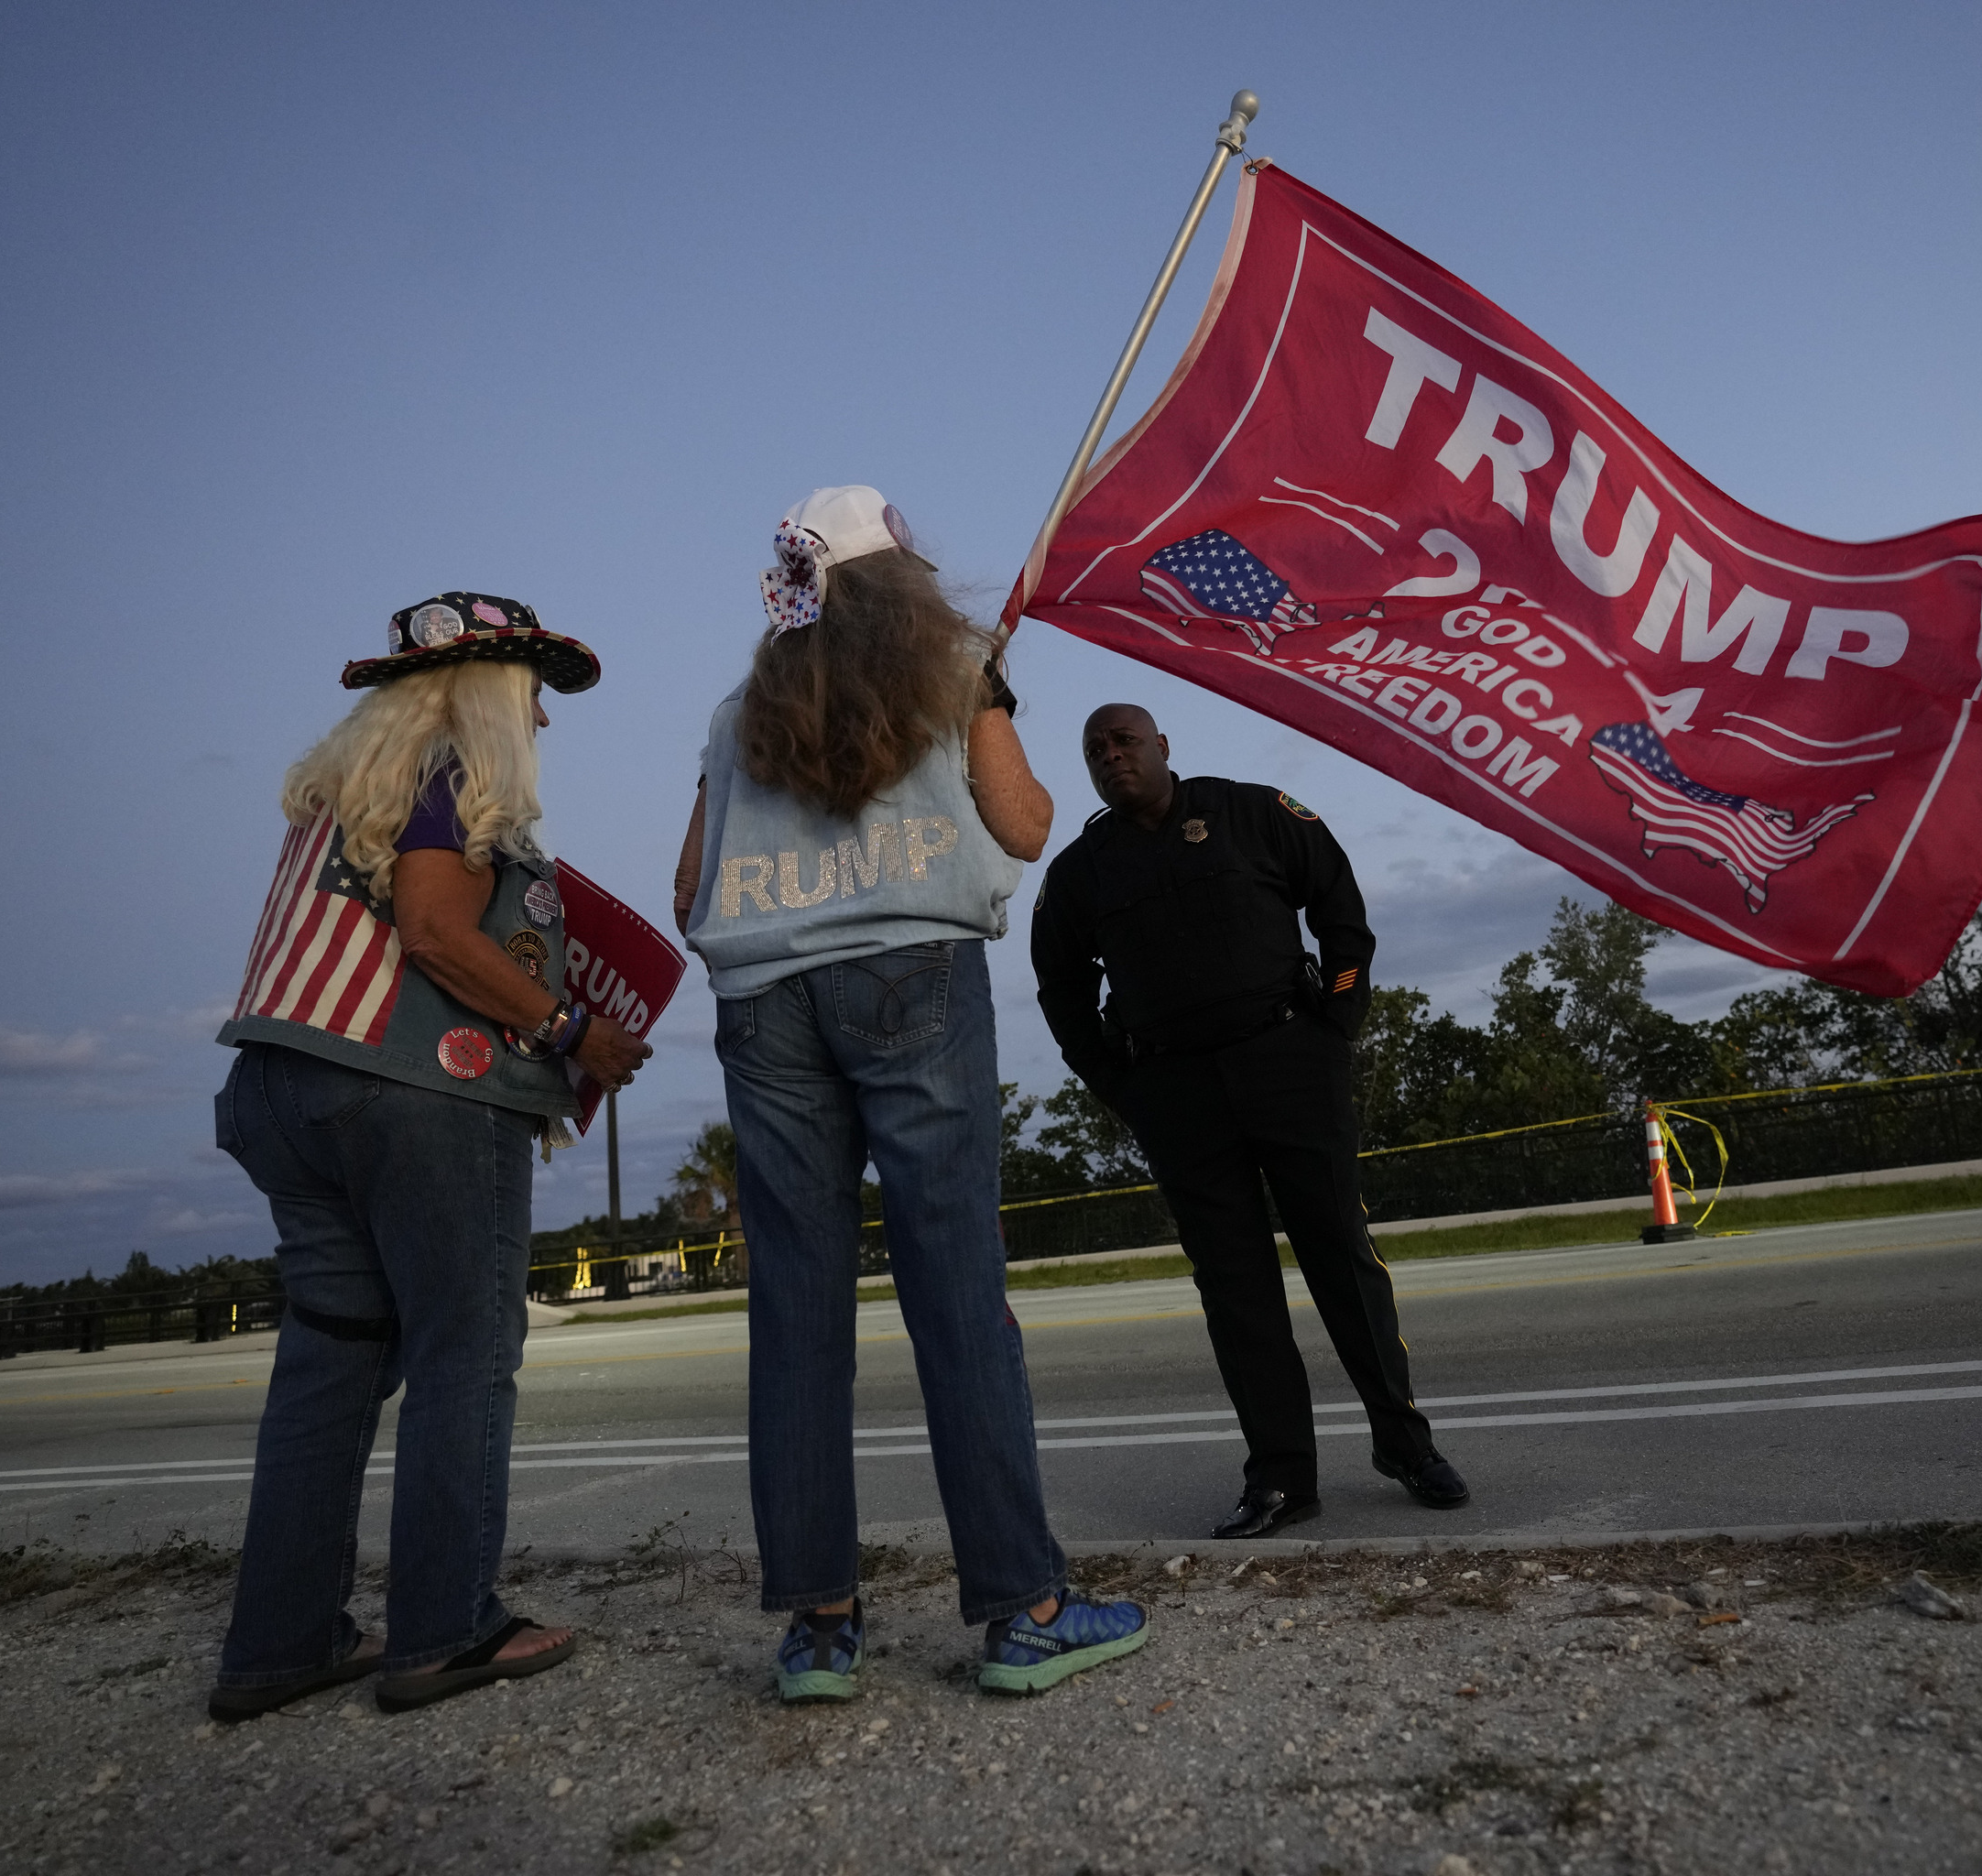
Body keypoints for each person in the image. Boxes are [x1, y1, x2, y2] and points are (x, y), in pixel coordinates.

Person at [674, 485, 1148, 1699]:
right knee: (956, 1295)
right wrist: (986, 702)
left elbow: (690, 894)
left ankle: (822, 1628)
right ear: (903, 577)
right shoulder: (957, 672)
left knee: (794, 1313)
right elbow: (1029, 824)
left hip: (762, 1004)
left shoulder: (739, 713)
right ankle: (1025, 1609)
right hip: (913, 980)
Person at [208, 593, 653, 1721]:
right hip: (415, 1096)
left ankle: (282, 1639)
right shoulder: (458, 770)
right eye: (532, 694)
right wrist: (569, 1031)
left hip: (280, 1082)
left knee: (331, 1362)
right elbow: (438, 931)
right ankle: (445, 1627)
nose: (542, 720)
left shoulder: (336, 794)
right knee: (465, 1352)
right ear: (485, 695)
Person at [1030, 704, 1471, 1539]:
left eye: (1125, 741)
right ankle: (1281, 1478)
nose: (1111, 756)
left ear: (1164, 746)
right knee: (1236, 1291)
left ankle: (1405, 1446)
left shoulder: (1253, 813)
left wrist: (1335, 1028)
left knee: (1341, 1258)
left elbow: (1340, 910)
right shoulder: (1082, 872)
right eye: (1095, 750)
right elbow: (1060, 993)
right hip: (1177, 1094)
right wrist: (1121, 1086)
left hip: (1288, 1064)